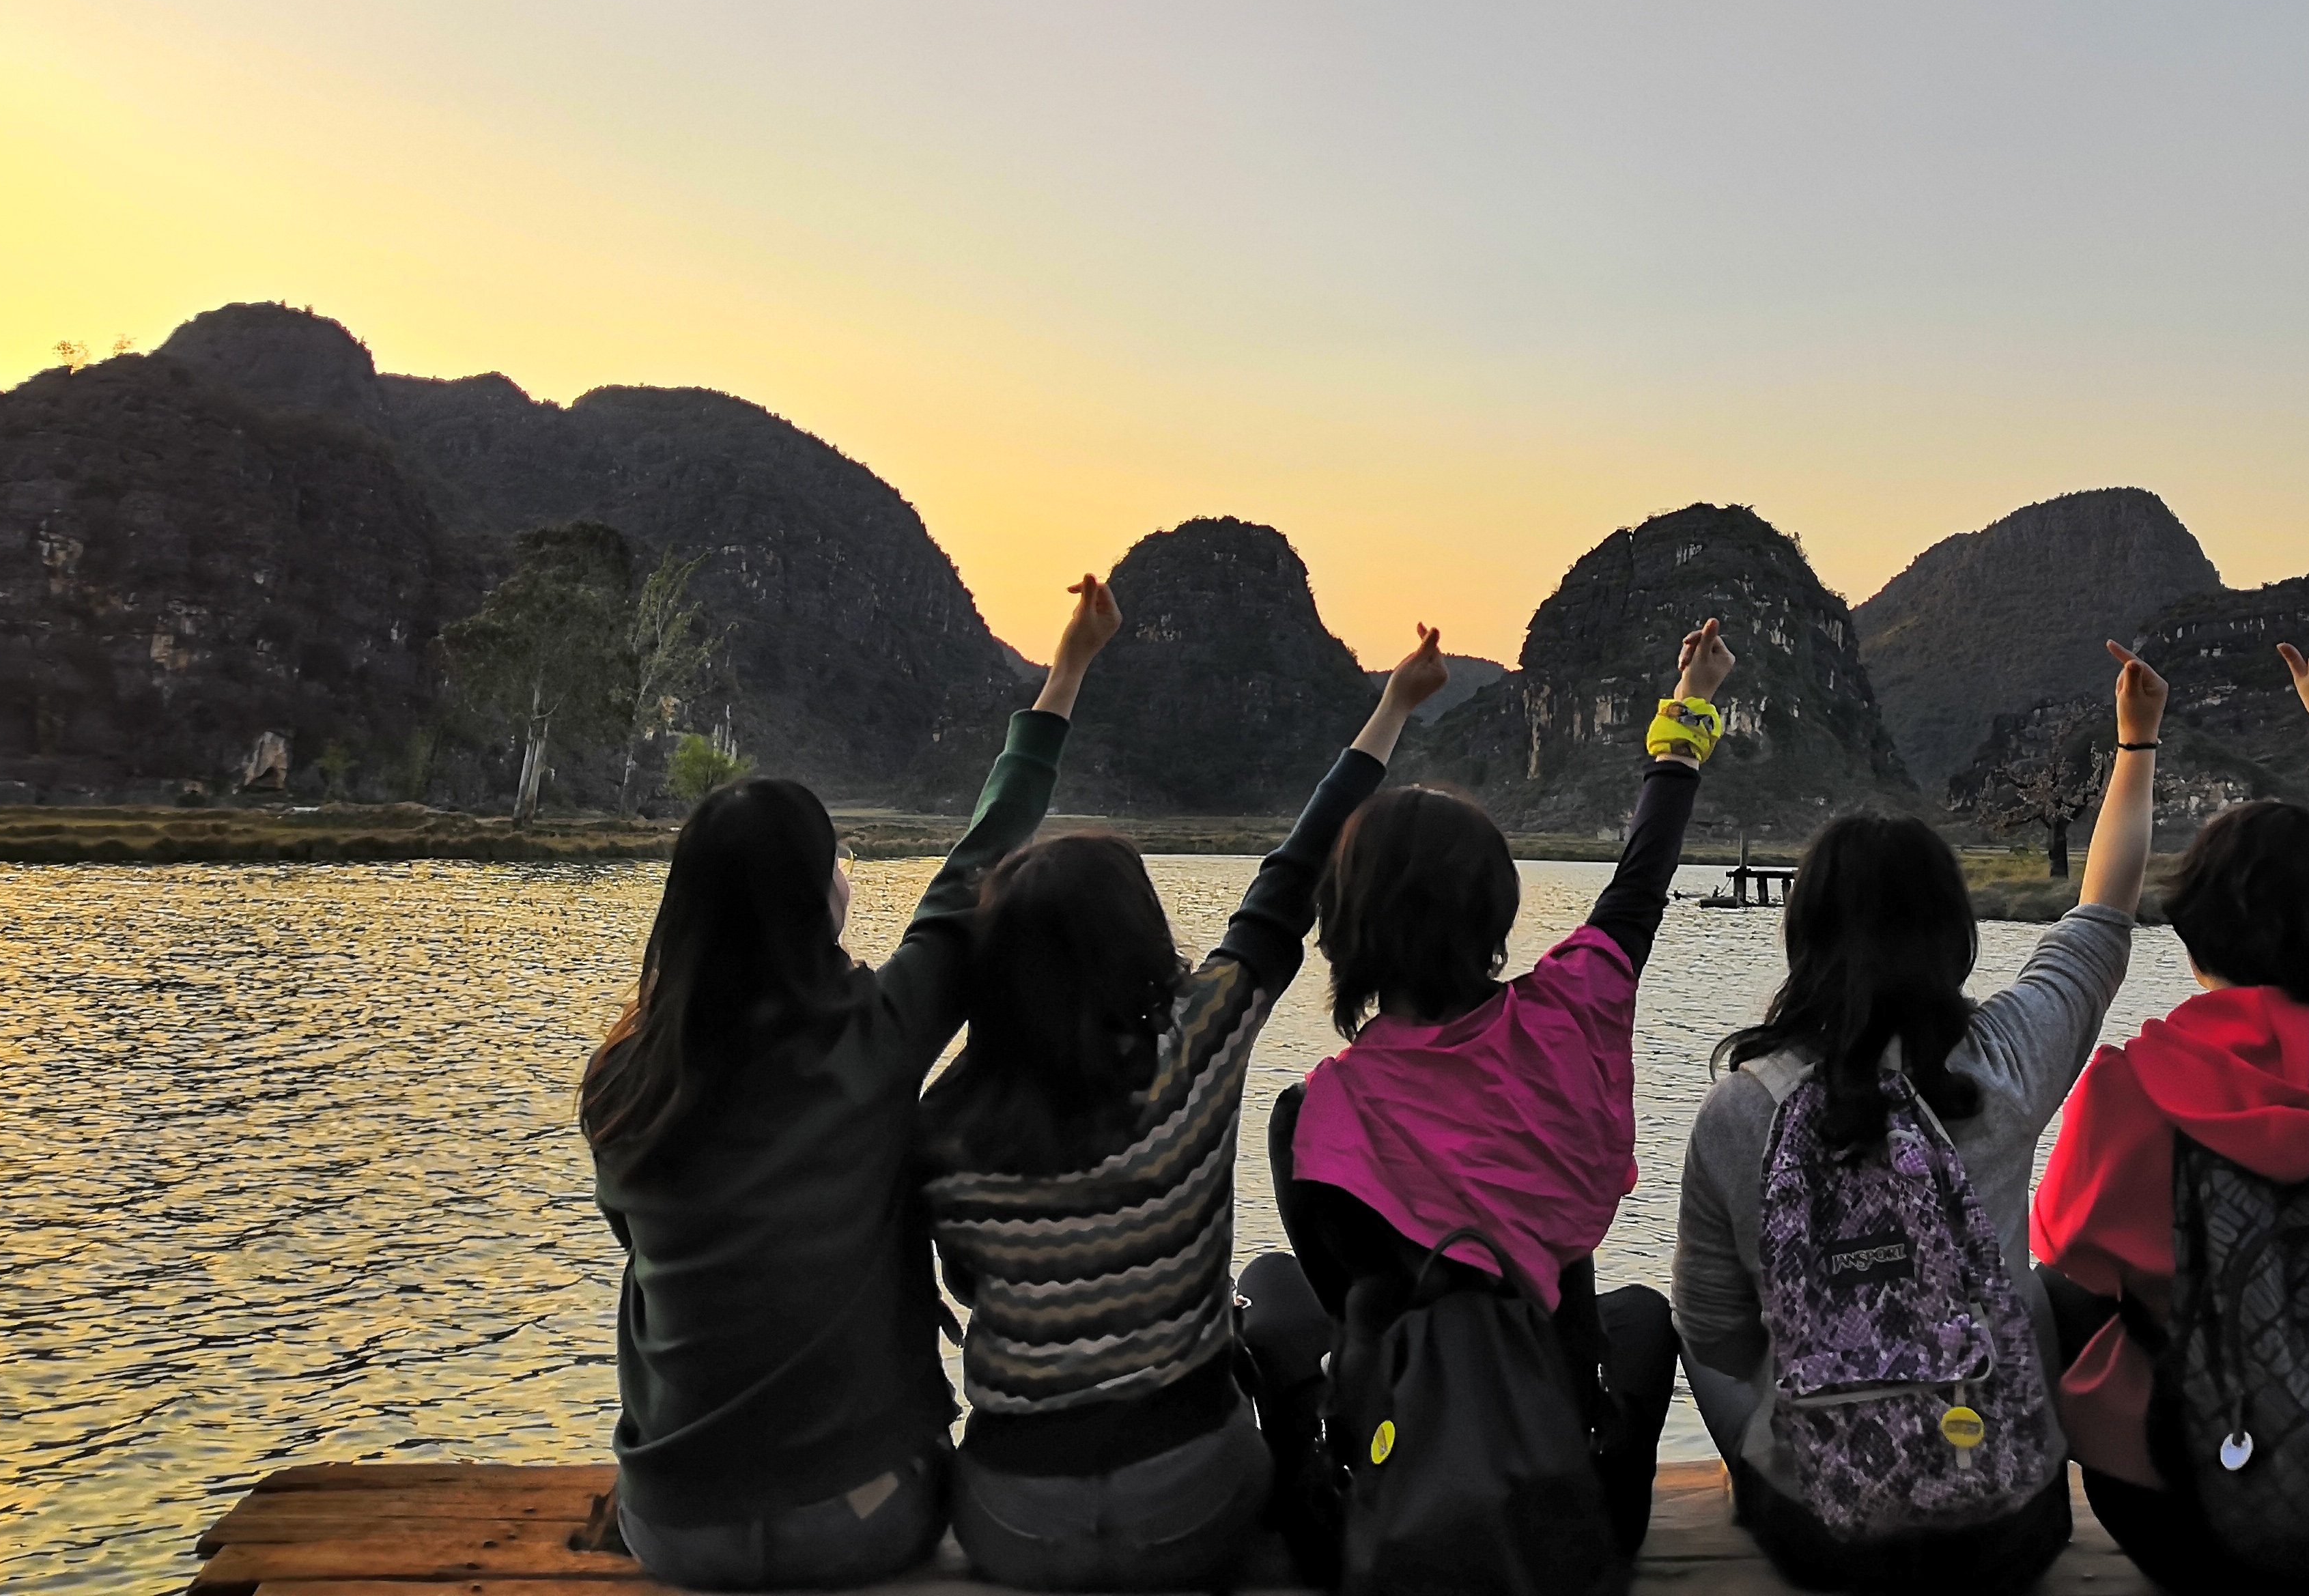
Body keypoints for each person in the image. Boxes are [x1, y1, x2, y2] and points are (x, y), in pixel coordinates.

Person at [583, 571, 1123, 1591]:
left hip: (675, 1529)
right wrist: (1068, 671)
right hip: (865, 1516)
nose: (846, 876)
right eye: (833, 861)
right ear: (806, 901)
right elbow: (982, 856)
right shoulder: (878, 1034)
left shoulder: (622, 1083)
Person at [916, 624, 1454, 1591]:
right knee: (1274, 1294)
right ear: (1138, 937)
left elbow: (963, 1282)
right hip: (1193, 1507)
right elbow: (1290, 880)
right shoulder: (1197, 1046)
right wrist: (1394, 708)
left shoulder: (947, 1123)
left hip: (1012, 1522)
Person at [1672, 638, 2166, 1591]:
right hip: (2003, 1535)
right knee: (2049, 1289)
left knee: (1692, 1325)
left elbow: (1718, 1335)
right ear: (1954, 932)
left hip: (1824, 1537)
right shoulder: (2009, 1061)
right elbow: (2104, 914)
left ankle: (1779, 1477)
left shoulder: (1740, 1109)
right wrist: (2136, 743)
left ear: (1804, 934)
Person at [1247, 614, 1737, 1561]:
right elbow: (1641, 882)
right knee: (1639, 1313)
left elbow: (1344, 1296)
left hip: (1384, 1528)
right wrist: (1688, 709)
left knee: (1271, 1287)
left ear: (1341, 926)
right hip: (1570, 1525)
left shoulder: (1317, 1114)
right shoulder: (1570, 1014)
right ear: (1498, 911)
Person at [2028, 640, 2309, 1596]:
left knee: (2043, 1292)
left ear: (2193, 931)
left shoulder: (2130, 1086)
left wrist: (2136, 743)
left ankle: (2008, 1504)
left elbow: (2069, 1249)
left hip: (2178, 1525)